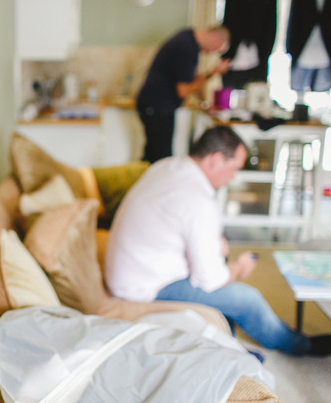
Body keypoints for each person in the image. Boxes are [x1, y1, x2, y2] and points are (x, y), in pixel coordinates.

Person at [104, 126, 331, 356]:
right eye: (233, 169)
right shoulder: (197, 198)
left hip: (134, 268)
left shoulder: (167, 166)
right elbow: (210, 280)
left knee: (220, 257)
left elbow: (175, 224)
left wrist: (213, 246)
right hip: (143, 287)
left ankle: (227, 345)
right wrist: (238, 268)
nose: (233, 177)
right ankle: (299, 345)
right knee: (247, 299)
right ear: (215, 160)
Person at [137, 26, 231, 163]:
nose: (212, 53)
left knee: (153, 155)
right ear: (214, 38)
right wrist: (213, 73)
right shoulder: (186, 47)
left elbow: (195, 78)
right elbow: (184, 90)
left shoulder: (188, 39)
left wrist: (205, 105)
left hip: (155, 105)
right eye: (216, 49)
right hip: (157, 106)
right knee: (161, 158)